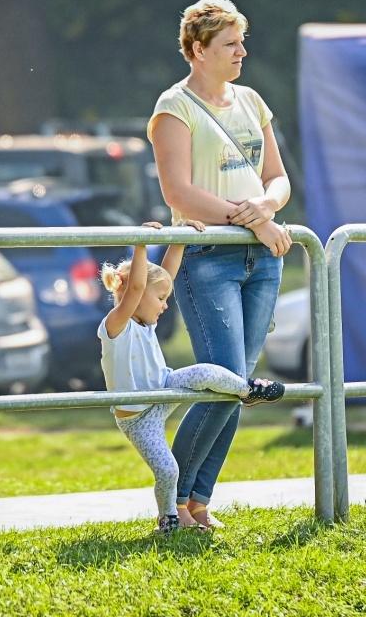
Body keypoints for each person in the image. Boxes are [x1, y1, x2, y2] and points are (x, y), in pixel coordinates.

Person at [149, 0, 292, 531]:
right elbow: (179, 193)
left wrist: (268, 206)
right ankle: (173, 503)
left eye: (242, 42)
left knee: (240, 383)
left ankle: (197, 502)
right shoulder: (173, 107)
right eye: (230, 44)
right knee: (226, 378)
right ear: (196, 50)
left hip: (263, 256)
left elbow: (278, 178)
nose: (241, 53)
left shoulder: (253, 101)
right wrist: (253, 218)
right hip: (208, 258)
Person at [99, 222, 285, 533]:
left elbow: (165, 278)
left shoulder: (146, 323)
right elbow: (134, 289)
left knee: (208, 372)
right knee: (168, 470)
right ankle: (168, 517)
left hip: (163, 387)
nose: (165, 305)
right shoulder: (116, 325)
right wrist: (141, 243)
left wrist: (180, 237)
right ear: (140, 291)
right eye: (159, 298)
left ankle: (246, 390)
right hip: (138, 417)